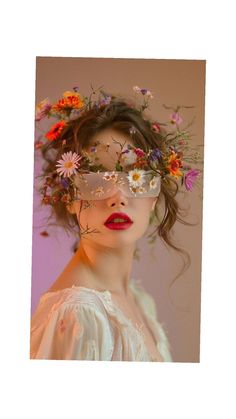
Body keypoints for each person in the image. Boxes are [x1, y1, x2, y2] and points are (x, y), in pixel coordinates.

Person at [30, 86, 200, 361]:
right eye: (96, 178)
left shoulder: (138, 299)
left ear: (155, 195)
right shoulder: (79, 316)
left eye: (135, 176)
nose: (117, 198)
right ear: (69, 197)